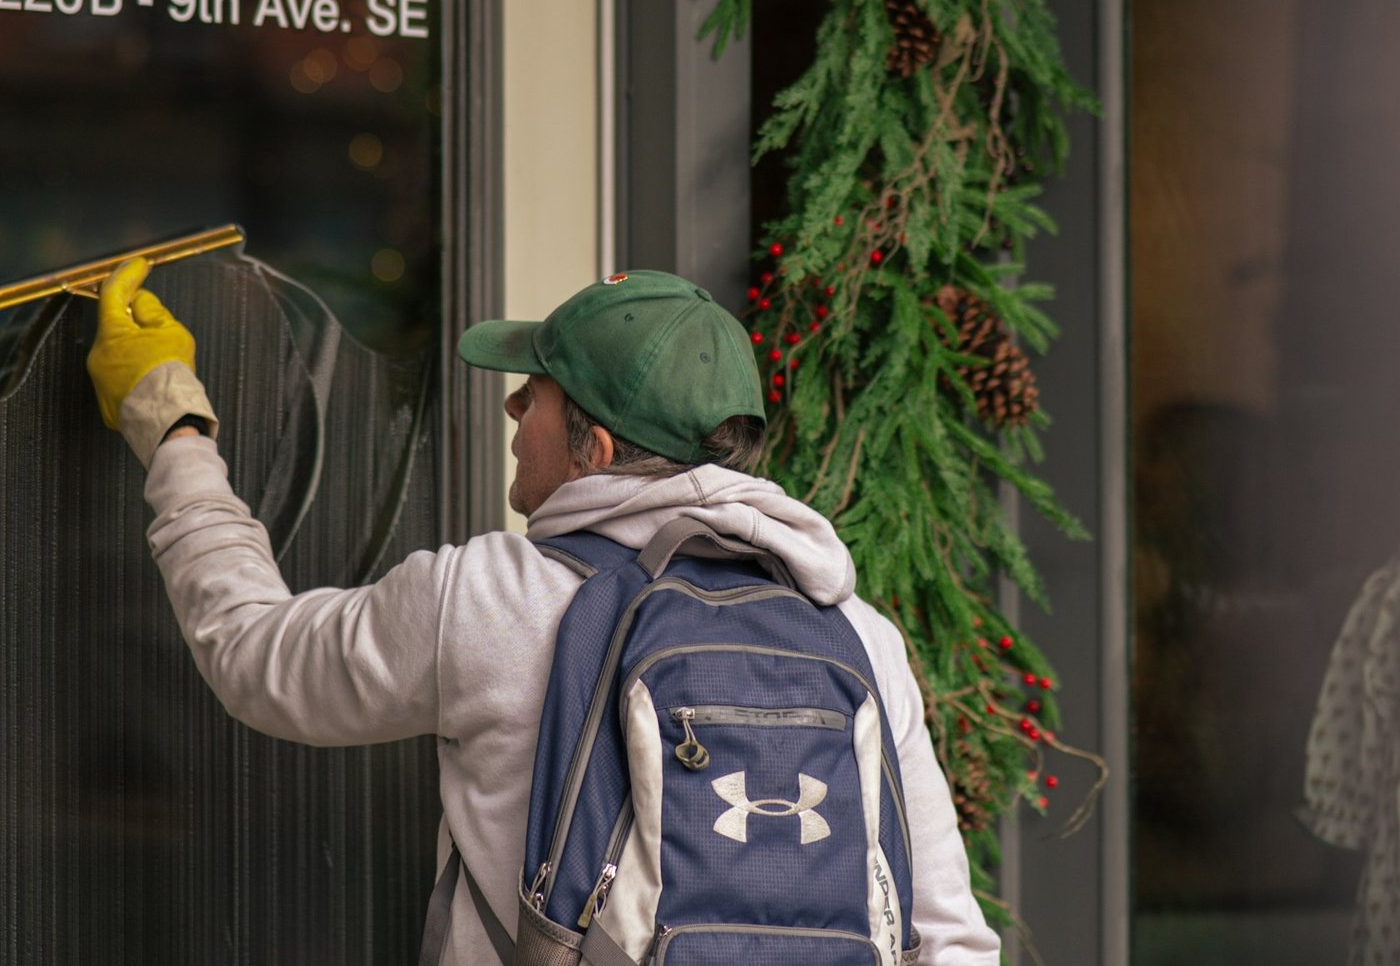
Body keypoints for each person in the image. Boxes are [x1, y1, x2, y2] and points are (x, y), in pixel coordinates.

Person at [87, 258, 1002, 965]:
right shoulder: (858, 636)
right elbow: (948, 937)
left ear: (592, 444)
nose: (514, 406)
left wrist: (172, 424)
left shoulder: (486, 596)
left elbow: (256, 655)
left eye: (537, 392)